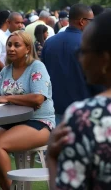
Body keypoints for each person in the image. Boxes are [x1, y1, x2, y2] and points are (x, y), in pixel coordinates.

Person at [0, 31, 55, 190]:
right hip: (11, 122)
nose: (11, 49)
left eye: (17, 45)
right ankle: (9, 187)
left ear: (28, 48)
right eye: (9, 45)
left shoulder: (36, 66)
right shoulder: (6, 70)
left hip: (39, 122)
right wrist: (0, 98)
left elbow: (38, 99)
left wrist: (7, 98)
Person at [47, 11, 111, 190]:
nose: (80, 59)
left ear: (104, 59)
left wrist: (52, 159)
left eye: (82, 52)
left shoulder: (84, 117)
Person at [42, 4, 95, 125]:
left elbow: (43, 75)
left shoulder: (50, 43)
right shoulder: (89, 45)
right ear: (82, 21)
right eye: (91, 21)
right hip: (82, 111)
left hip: (54, 108)